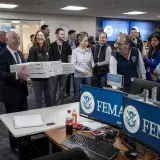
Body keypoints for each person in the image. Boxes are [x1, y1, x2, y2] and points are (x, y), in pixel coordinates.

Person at [0, 31, 29, 150]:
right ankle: (14, 145)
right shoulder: (2, 54)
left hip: (22, 91)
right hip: (10, 94)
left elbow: (23, 69)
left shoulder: (20, 53)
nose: (17, 41)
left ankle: (25, 142)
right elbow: (1, 74)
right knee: (13, 121)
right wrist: (17, 75)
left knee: (25, 117)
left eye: (18, 38)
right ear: (7, 40)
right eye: (14, 39)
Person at [28, 30, 53, 108]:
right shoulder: (32, 49)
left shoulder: (48, 48)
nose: (39, 37)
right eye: (38, 35)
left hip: (47, 77)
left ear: (45, 38)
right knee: (39, 99)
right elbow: (30, 63)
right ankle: (40, 115)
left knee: (48, 97)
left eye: (41, 35)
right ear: (35, 38)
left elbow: (50, 61)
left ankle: (50, 114)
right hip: (36, 78)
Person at [49, 28, 72, 105]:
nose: (63, 35)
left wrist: (68, 69)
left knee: (62, 88)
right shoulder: (51, 45)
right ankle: (52, 103)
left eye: (64, 34)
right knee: (53, 88)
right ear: (56, 35)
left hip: (64, 69)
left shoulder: (67, 45)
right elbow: (49, 59)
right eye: (61, 34)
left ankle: (60, 103)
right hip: (55, 69)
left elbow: (69, 57)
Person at [71, 32, 94, 101]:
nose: (87, 43)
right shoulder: (75, 51)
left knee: (87, 94)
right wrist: (83, 71)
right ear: (80, 41)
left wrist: (92, 65)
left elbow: (92, 61)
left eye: (87, 41)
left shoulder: (89, 50)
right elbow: (73, 65)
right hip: (78, 76)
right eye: (85, 41)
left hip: (88, 76)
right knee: (77, 95)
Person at [65, 30, 76, 97]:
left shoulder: (77, 42)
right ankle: (67, 92)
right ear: (69, 35)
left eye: (75, 34)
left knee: (75, 78)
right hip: (68, 63)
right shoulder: (65, 43)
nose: (75, 35)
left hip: (75, 63)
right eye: (73, 34)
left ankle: (75, 92)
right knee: (67, 79)